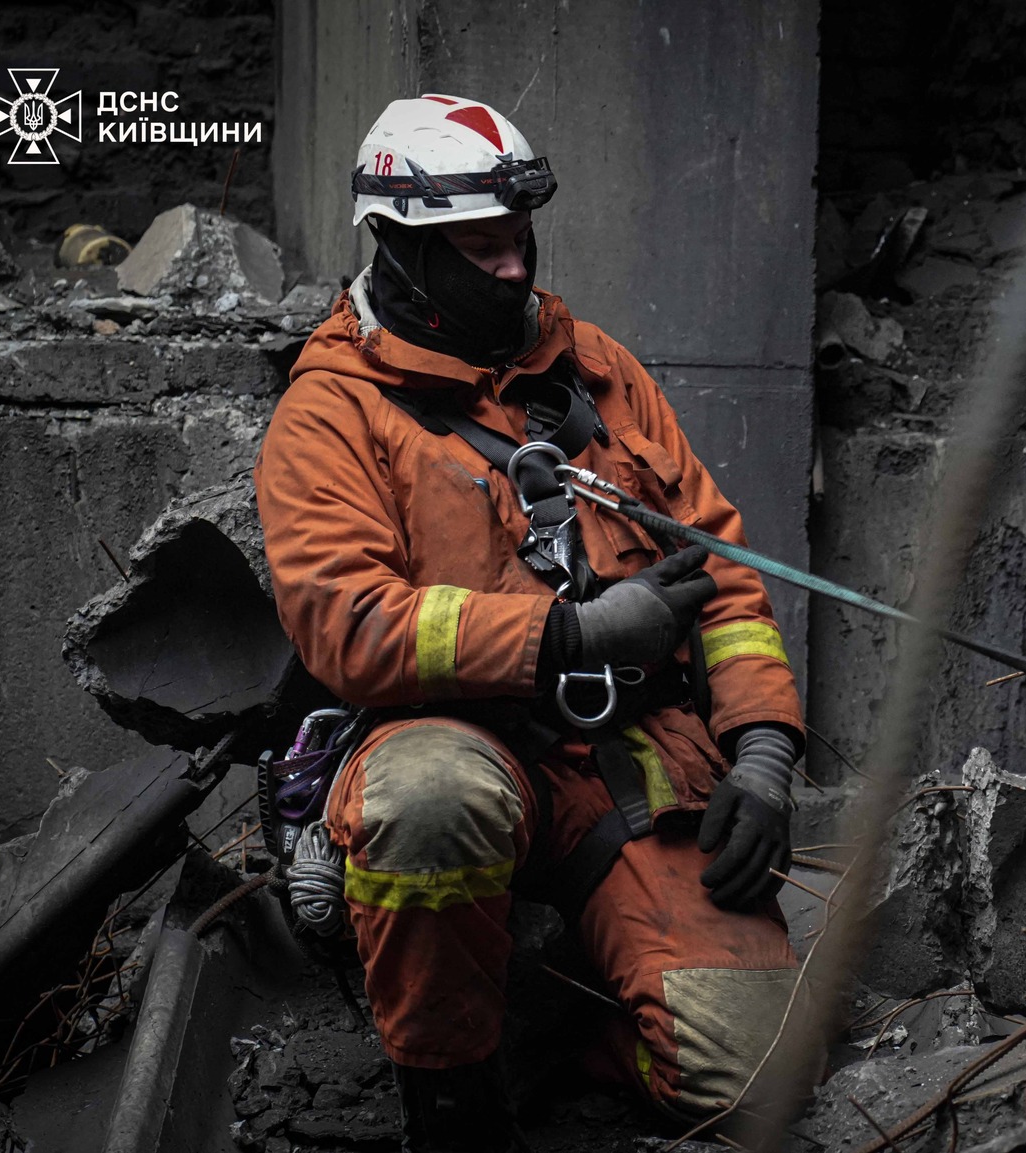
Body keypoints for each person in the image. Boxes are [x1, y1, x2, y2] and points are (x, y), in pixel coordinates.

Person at [255, 95, 803, 1152]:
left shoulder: (596, 368)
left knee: (756, 1081)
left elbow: (722, 577)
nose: (512, 269)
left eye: (519, 241)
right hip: (447, 740)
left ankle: (557, 1019)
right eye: (479, 249)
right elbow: (347, 626)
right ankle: (453, 1099)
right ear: (402, 252)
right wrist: (571, 636)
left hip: (629, 760)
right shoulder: (330, 412)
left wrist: (764, 752)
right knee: (426, 799)